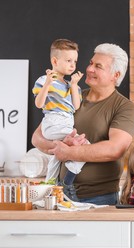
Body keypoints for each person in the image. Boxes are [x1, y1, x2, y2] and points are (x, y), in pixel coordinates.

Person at [32, 43, 134, 205]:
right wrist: (59, 145)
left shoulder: (124, 107)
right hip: (59, 196)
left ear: (115, 75)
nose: (89, 69)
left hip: (98, 198)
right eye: (90, 63)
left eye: (98, 66)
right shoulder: (70, 95)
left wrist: (68, 152)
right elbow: (37, 138)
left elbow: (114, 149)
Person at [32, 39, 85, 201]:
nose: (72, 65)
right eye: (68, 61)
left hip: (67, 121)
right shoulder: (44, 80)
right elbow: (39, 103)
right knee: (84, 146)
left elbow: (76, 106)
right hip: (53, 121)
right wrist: (48, 83)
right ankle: (67, 182)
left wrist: (74, 85)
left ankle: (51, 182)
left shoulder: (71, 85)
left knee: (58, 152)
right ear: (55, 61)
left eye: (75, 61)